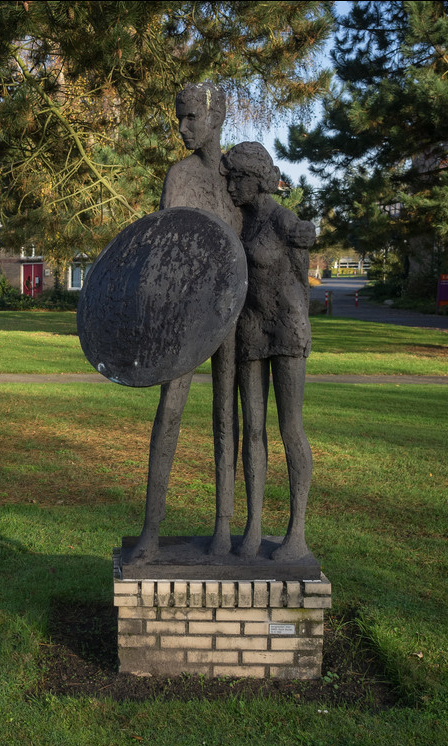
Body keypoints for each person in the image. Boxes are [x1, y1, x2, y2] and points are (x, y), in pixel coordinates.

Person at [127, 82, 243, 564]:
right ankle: (151, 532)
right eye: (180, 117)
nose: (182, 127)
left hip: (232, 314)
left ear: (216, 118)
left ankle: (224, 529)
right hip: (185, 316)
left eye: (192, 117)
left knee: (226, 417)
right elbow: (163, 250)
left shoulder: (238, 178)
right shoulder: (179, 177)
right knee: (169, 414)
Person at [226, 141, 316, 561]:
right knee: (253, 430)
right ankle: (254, 526)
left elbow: (301, 276)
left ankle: (296, 532)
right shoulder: (239, 222)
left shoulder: (283, 221)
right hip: (251, 328)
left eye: (237, 179)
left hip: (286, 326)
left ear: (257, 179)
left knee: (289, 428)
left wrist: (307, 238)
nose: (231, 187)